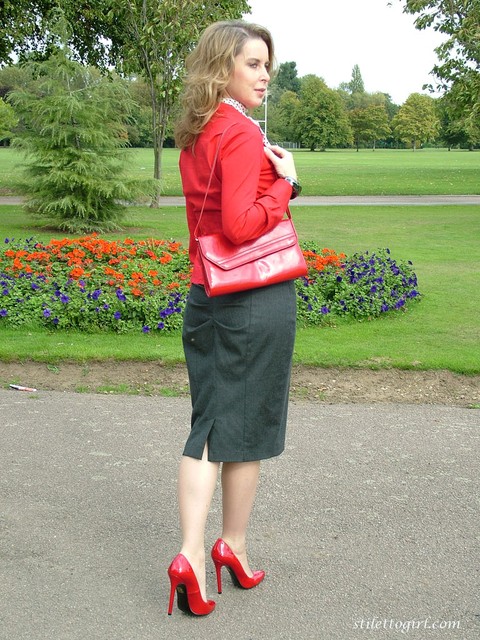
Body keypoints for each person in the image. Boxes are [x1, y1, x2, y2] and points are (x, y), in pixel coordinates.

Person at [167, 19, 302, 617]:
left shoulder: (197, 129)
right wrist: (289, 185)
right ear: (223, 67)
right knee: (246, 429)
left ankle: (191, 556)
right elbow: (243, 225)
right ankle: (233, 546)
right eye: (253, 63)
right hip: (252, 298)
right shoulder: (243, 135)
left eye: (268, 64)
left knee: (208, 426)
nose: (265, 74)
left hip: (207, 293)